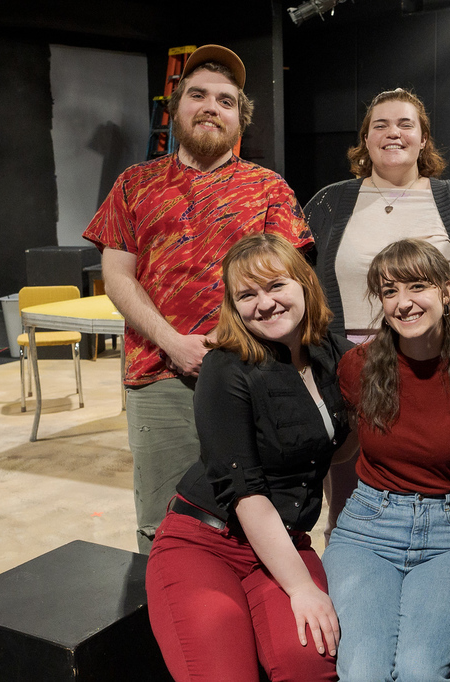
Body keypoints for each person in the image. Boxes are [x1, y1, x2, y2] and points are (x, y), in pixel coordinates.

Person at [83, 44, 311, 553]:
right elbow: (117, 276)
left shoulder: (269, 189)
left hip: (253, 377)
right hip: (159, 377)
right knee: (163, 527)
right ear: (176, 106)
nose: (211, 106)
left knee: (259, 524)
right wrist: (173, 342)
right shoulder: (133, 185)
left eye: (226, 100)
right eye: (198, 95)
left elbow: (289, 284)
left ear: (239, 119)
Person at [145, 234, 355, 682]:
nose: (265, 303)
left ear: (304, 284)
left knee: (310, 666)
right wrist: (301, 588)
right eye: (247, 294)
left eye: (275, 285)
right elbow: (246, 494)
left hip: (285, 541)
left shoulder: (333, 353)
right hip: (205, 543)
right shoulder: (227, 368)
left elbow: (346, 444)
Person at [303, 87, 450, 540]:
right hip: (349, 373)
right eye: (380, 125)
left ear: (423, 139)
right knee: (349, 508)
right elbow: (302, 293)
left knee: (435, 494)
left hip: (441, 369)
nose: (392, 133)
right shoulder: (329, 203)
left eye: (405, 124)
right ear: (365, 139)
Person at [322, 239, 450, 682]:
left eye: (417, 287)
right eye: (389, 292)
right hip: (368, 527)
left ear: (446, 291)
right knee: (363, 672)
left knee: (421, 671)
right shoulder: (358, 367)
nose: (403, 303)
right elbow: (342, 450)